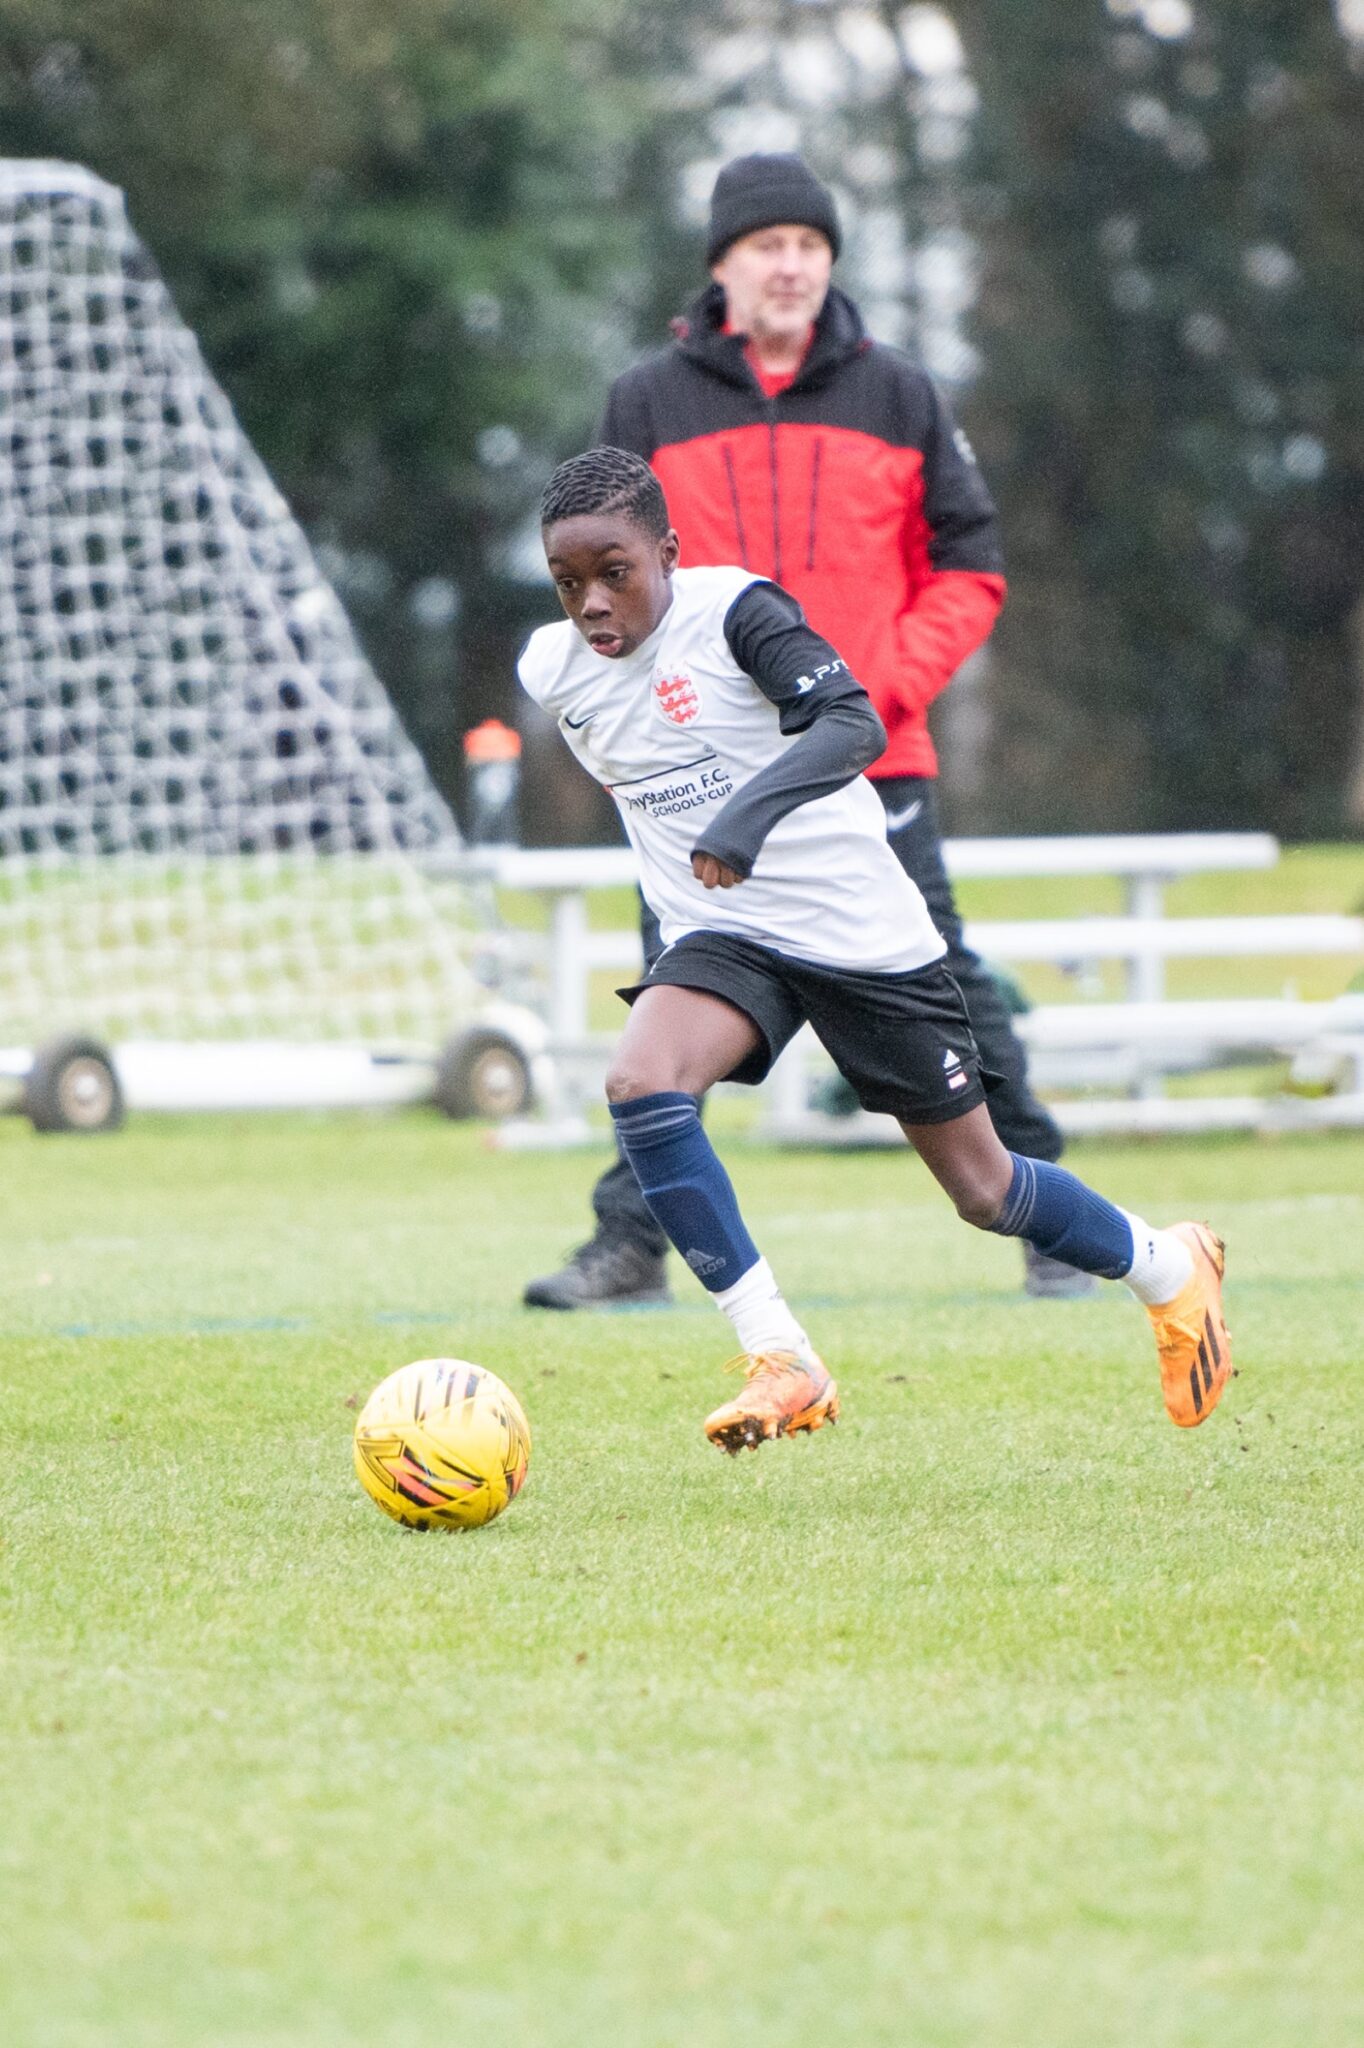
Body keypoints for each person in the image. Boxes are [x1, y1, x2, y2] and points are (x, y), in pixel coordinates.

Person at [517, 448, 1233, 1450]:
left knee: (984, 1190)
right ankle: (782, 1356)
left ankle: (1167, 1264)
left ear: (667, 553)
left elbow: (849, 721)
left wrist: (744, 819)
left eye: (613, 572)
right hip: (727, 936)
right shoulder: (550, 672)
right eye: (566, 582)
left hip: (859, 933)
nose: (590, 602)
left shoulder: (735, 615)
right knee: (640, 1080)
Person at [525, 150, 1089, 1311]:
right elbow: (605, 562)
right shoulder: (647, 398)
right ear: (720, 267)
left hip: (864, 751)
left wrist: (878, 690)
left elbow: (969, 569)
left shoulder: (900, 392)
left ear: (830, 263)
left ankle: (1050, 1223)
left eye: (808, 246)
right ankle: (627, 1246)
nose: (788, 266)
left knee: (950, 989)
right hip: (692, 769)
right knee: (675, 1002)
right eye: (764, 246)